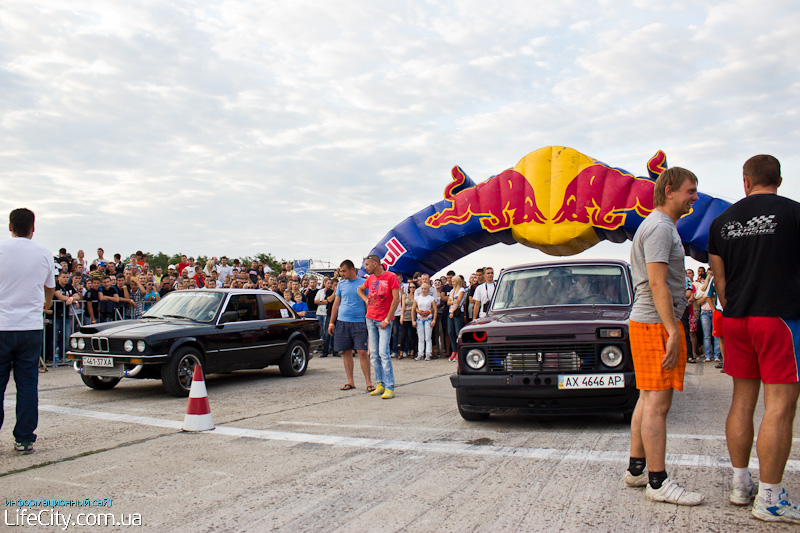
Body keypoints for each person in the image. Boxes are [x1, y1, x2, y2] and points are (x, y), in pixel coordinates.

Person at [708, 154, 800, 523]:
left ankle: (740, 484)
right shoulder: (793, 213)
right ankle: (771, 498)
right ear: (779, 179)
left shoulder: (721, 222)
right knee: (780, 407)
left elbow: (720, 281)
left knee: (742, 402)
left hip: (736, 319)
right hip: (778, 318)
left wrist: (735, 307)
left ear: (745, 181)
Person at [624, 167, 703, 505]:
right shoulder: (659, 227)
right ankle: (658, 483)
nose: (694, 197)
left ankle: (637, 470)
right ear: (669, 191)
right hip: (656, 323)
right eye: (690, 190)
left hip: (649, 321)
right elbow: (657, 282)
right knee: (658, 404)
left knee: (647, 399)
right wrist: (673, 330)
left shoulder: (658, 225)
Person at [0, 208, 56, 454]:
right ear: (33, 228)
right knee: (27, 384)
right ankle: (24, 438)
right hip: (30, 327)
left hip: (2, 325)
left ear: (10, 226)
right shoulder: (43, 253)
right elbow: (49, 287)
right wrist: (46, 304)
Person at [357, 255, 400, 399]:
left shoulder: (391, 277)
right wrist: (366, 300)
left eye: (367, 264)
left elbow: (396, 299)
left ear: (375, 264)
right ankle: (380, 383)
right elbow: (359, 290)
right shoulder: (370, 279)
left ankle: (390, 387)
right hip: (371, 318)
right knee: (374, 354)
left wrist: (387, 319)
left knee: (383, 353)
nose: (366, 267)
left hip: (383, 320)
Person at [328, 260, 373, 392]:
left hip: (359, 322)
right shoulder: (341, 284)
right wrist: (331, 322)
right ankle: (350, 381)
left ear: (352, 269)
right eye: (340, 271)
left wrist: (369, 322)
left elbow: (367, 303)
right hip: (342, 322)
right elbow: (336, 304)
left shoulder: (363, 283)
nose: (341, 274)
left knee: (362, 352)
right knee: (346, 351)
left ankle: (368, 382)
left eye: (344, 271)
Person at [412, 283, 437, 361]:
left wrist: (434, 320)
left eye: (425, 289)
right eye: (422, 288)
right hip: (419, 319)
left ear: (428, 289)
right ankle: (420, 353)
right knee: (421, 338)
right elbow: (413, 309)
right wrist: (413, 320)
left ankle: (428, 354)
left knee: (428, 338)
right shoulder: (417, 298)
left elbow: (435, 309)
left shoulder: (431, 298)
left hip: (428, 319)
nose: (423, 290)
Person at [447, 275, 466, 361]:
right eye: (452, 281)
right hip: (450, 311)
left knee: (458, 332)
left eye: (454, 281)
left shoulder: (461, 290)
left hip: (457, 312)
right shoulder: (452, 291)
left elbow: (458, 301)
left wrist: (452, 311)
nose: (452, 283)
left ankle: (459, 351)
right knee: (451, 332)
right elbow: (448, 302)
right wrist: (453, 303)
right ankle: (454, 350)